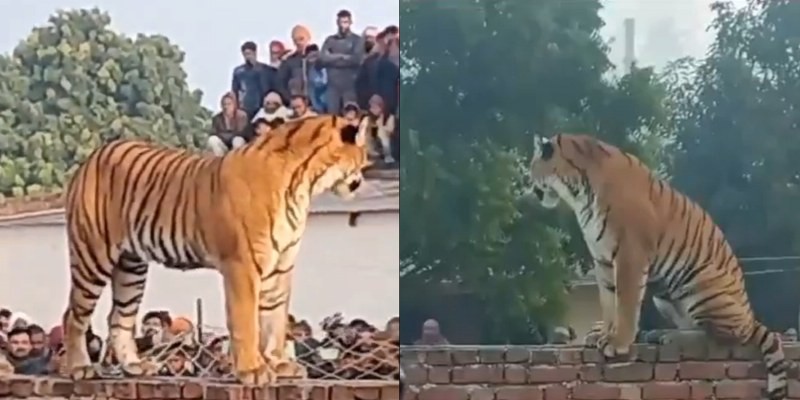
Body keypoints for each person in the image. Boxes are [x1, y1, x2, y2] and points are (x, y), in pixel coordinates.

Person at [319, 9, 365, 114]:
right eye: (340, 22)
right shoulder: (330, 40)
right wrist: (343, 57)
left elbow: (356, 60)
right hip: (332, 86)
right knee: (332, 116)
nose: (342, 26)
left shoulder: (357, 40)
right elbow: (323, 58)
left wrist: (333, 58)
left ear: (350, 23)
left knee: (350, 115)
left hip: (350, 85)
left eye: (345, 22)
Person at [232, 41, 278, 119]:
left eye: (249, 54)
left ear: (255, 53)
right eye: (245, 54)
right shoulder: (239, 72)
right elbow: (235, 91)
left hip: (263, 107)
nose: (248, 57)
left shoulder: (265, 69)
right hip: (246, 107)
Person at [277, 25, 313, 102]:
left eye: (301, 39)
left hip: (316, 104)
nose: (299, 43)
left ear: (308, 38)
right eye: (295, 40)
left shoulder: (318, 59)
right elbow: (280, 84)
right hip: (295, 104)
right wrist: (290, 100)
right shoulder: (288, 62)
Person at [363, 95, 396, 165]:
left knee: (382, 132)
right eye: (372, 107)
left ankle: (388, 156)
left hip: (389, 143)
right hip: (375, 142)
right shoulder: (369, 118)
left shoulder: (389, 117)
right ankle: (372, 154)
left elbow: (390, 130)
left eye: (375, 107)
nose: (373, 109)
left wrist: (380, 125)